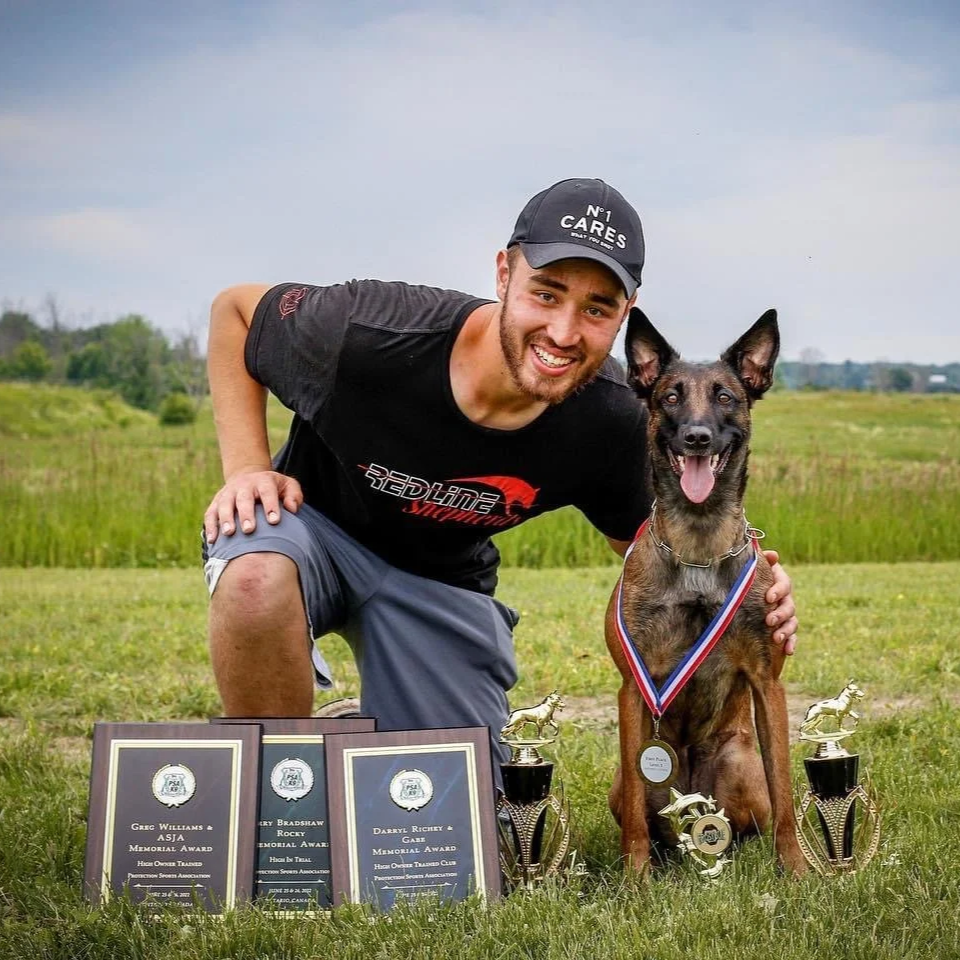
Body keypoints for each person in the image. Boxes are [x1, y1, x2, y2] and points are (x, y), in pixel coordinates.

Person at [202, 178, 798, 762]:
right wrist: (247, 468)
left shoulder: (614, 417)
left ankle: (360, 730)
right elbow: (236, 312)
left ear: (626, 314)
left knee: (461, 818)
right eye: (546, 293)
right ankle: (279, 791)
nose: (564, 332)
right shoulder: (367, 328)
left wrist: (745, 593)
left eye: (596, 308)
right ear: (503, 275)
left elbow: (646, 548)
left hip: (440, 583)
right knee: (254, 571)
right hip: (315, 532)